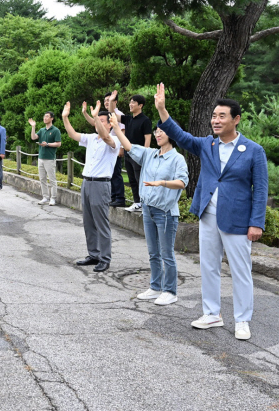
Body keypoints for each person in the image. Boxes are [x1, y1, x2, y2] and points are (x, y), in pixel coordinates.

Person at [153, 83, 268, 340]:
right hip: (208, 215)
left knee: (240, 270)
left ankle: (242, 320)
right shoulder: (208, 145)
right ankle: (212, 313)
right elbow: (181, 137)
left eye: (221, 116)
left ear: (236, 119)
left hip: (238, 219)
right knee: (209, 266)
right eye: (214, 116)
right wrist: (162, 110)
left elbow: (260, 190)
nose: (216, 120)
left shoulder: (253, 150)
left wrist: (256, 223)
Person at [109, 107, 188, 306]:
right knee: (153, 253)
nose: (158, 133)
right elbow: (128, 146)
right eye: (157, 130)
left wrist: (163, 183)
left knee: (167, 254)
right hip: (148, 209)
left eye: (162, 130)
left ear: (173, 133)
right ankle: (155, 287)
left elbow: (182, 182)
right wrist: (116, 128)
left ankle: (170, 291)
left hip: (166, 212)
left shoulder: (177, 158)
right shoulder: (150, 154)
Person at [62, 100, 121, 273]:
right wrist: (65, 118)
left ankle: (105, 258)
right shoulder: (90, 139)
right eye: (97, 121)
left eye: (102, 121)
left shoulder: (114, 140)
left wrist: (95, 117)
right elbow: (73, 134)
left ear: (110, 124)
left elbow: (105, 136)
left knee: (101, 223)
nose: (98, 124)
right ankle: (93, 255)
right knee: (88, 222)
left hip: (101, 185)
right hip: (87, 182)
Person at [83, 91, 127, 207]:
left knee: (116, 174)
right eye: (105, 100)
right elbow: (94, 123)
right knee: (110, 175)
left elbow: (122, 131)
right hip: (106, 148)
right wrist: (85, 113)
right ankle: (112, 197)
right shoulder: (104, 115)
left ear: (115, 101)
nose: (106, 102)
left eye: (109, 100)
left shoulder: (117, 114)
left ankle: (120, 198)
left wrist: (121, 148)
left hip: (114, 147)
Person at [121, 94, 153, 212]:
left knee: (140, 179)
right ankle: (137, 202)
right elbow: (113, 115)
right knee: (132, 180)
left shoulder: (145, 120)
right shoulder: (128, 119)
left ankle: (145, 204)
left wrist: (145, 155)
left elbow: (147, 139)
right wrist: (113, 100)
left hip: (139, 155)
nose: (130, 104)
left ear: (140, 105)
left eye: (133, 102)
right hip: (128, 153)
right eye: (130, 102)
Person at [29, 112, 62, 206]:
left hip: (50, 158)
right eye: (44, 116)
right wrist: (33, 127)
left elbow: (58, 144)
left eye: (47, 116)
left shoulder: (55, 130)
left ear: (52, 118)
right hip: (41, 158)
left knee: (52, 179)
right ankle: (45, 197)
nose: (45, 118)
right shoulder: (42, 130)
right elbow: (33, 137)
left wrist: (47, 144)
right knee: (42, 178)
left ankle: (53, 198)